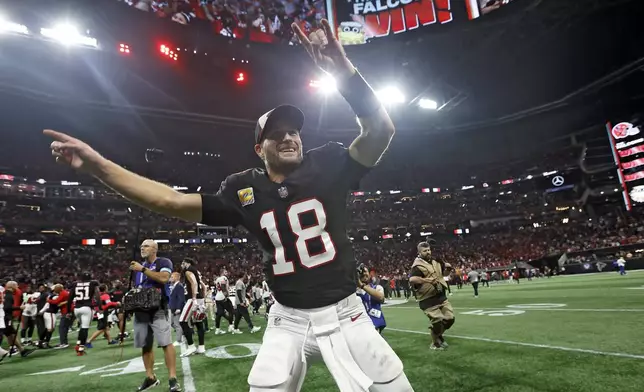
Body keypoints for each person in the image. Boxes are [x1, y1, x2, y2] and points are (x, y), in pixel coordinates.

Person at [45, 18, 411, 392]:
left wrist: (345, 74)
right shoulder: (243, 189)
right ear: (259, 149)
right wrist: (97, 165)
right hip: (288, 319)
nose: (289, 136)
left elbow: (380, 130)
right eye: (276, 134)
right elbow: (168, 200)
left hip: (347, 310)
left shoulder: (329, 163)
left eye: (294, 131)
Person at [129, 239, 181, 392]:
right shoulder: (137, 267)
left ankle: (172, 378)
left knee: (166, 343)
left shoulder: (163, 261)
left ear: (154, 249)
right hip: (141, 310)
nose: (142, 248)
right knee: (145, 345)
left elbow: (164, 278)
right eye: (141, 245)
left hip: (158, 308)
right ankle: (150, 377)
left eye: (146, 246)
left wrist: (142, 270)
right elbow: (137, 287)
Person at [410, 242, 455, 351]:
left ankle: (438, 335)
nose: (428, 252)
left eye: (429, 250)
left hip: (441, 296)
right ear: (419, 253)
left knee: (450, 318)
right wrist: (427, 280)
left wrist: (448, 269)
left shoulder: (437, 260)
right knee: (438, 320)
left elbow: (443, 275)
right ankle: (435, 343)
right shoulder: (417, 265)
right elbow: (412, 279)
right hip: (427, 299)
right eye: (425, 251)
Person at [179, 258, 207, 357]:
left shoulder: (188, 270)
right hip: (199, 298)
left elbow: (194, 283)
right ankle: (201, 347)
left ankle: (191, 346)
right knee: (199, 323)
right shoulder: (196, 271)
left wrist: (194, 298)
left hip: (193, 298)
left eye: (182, 263)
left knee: (182, 321)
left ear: (187, 263)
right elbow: (203, 287)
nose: (181, 265)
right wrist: (202, 299)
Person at [2, 281, 35, 359]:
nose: (17, 288)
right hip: (6, 317)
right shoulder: (9, 295)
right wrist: (19, 308)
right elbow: (7, 308)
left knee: (10, 334)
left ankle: (18, 349)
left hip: (4, 317)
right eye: (16, 286)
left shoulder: (4, 294)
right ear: (12, 286)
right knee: (11, 333)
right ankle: (20, 350)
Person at [356, 264, 386, 334]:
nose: (363, 274)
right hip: (359, 324)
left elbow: (381, 298)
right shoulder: (353, 291)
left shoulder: (377, 287)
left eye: (365, 271)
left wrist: (362, 286)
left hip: (375, 323)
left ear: (369, 274)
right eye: (361, 272)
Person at [213, 271, 234, 335]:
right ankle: (230, 326)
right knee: (231, 310)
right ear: (222, 272)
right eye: (225, 272)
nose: (227, 273)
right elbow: (223, 286)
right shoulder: (223, 278)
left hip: (217, 298)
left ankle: (217, 329)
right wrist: (226, 295)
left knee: (219, 314)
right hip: (222, 297)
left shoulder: (217, 279)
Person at [168, 272, 185, 347]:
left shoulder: (179, 286)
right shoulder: (174, 286)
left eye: (172, 277)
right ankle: (183, 332)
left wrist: (178, 308)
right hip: (172, 308)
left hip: (176, 308)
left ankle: (179, 340)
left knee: (177, 325)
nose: (170, 278)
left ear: (176, 278)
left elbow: (181, 298)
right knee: (172, 323)